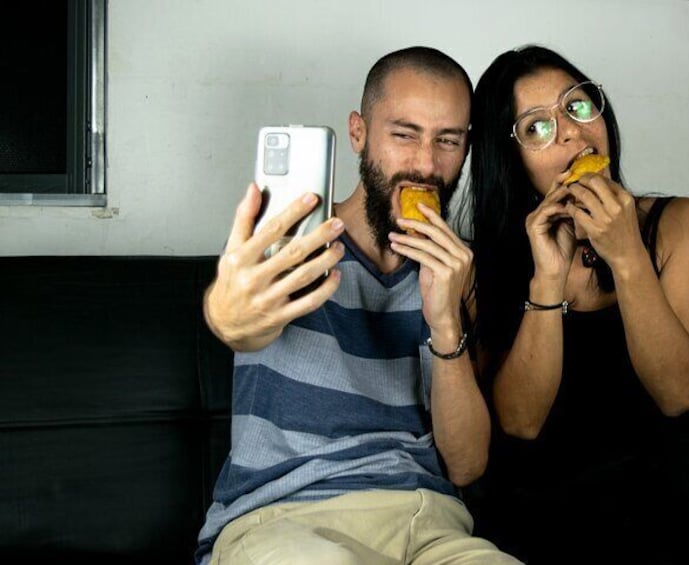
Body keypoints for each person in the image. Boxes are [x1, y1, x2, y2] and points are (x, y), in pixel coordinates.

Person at [194, 46, 522, 565]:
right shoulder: (289, 244)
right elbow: (237, 321)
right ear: (358, 134)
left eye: (448, 140)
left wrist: (444, 321)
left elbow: (466, 466)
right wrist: (227, 311)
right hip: (287, 521)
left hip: (432, 526)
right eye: (403, 134)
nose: (425, 164)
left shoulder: (461, 272)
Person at [461, 44, 689, 564]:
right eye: (537, 127)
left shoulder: (680, 223)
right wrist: (547, 277)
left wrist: (627, 252)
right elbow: (520, 424)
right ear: (512, 160)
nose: (569, 130)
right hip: (549, 512)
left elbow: (679, 392)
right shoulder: (487, 264)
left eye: (578, 105)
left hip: (680, 500)